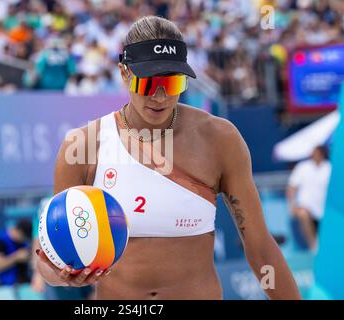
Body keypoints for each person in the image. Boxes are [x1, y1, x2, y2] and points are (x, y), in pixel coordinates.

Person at [35, 15, 300, 299]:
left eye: (172, 84)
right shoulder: (83, 145)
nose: (160, 96)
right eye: (149, 83)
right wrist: (64, 276)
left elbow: (260, 248)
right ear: (125, 74)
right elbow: (49, 256)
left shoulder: (220, 139)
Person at [286, 145, 331, 251]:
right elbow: (292, 187)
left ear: (322, 153)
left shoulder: (329, 167)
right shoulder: (302, 167)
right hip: (306, 205)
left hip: (325, 207)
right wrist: (292, 205)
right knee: (303, 214)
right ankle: (313, 247)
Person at [0, 219, 32, 286]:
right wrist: (16, 257)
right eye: (24, 237)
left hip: (23, 284)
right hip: (2, 286)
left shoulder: (24, 243)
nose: (24, 240)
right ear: (18, 231)